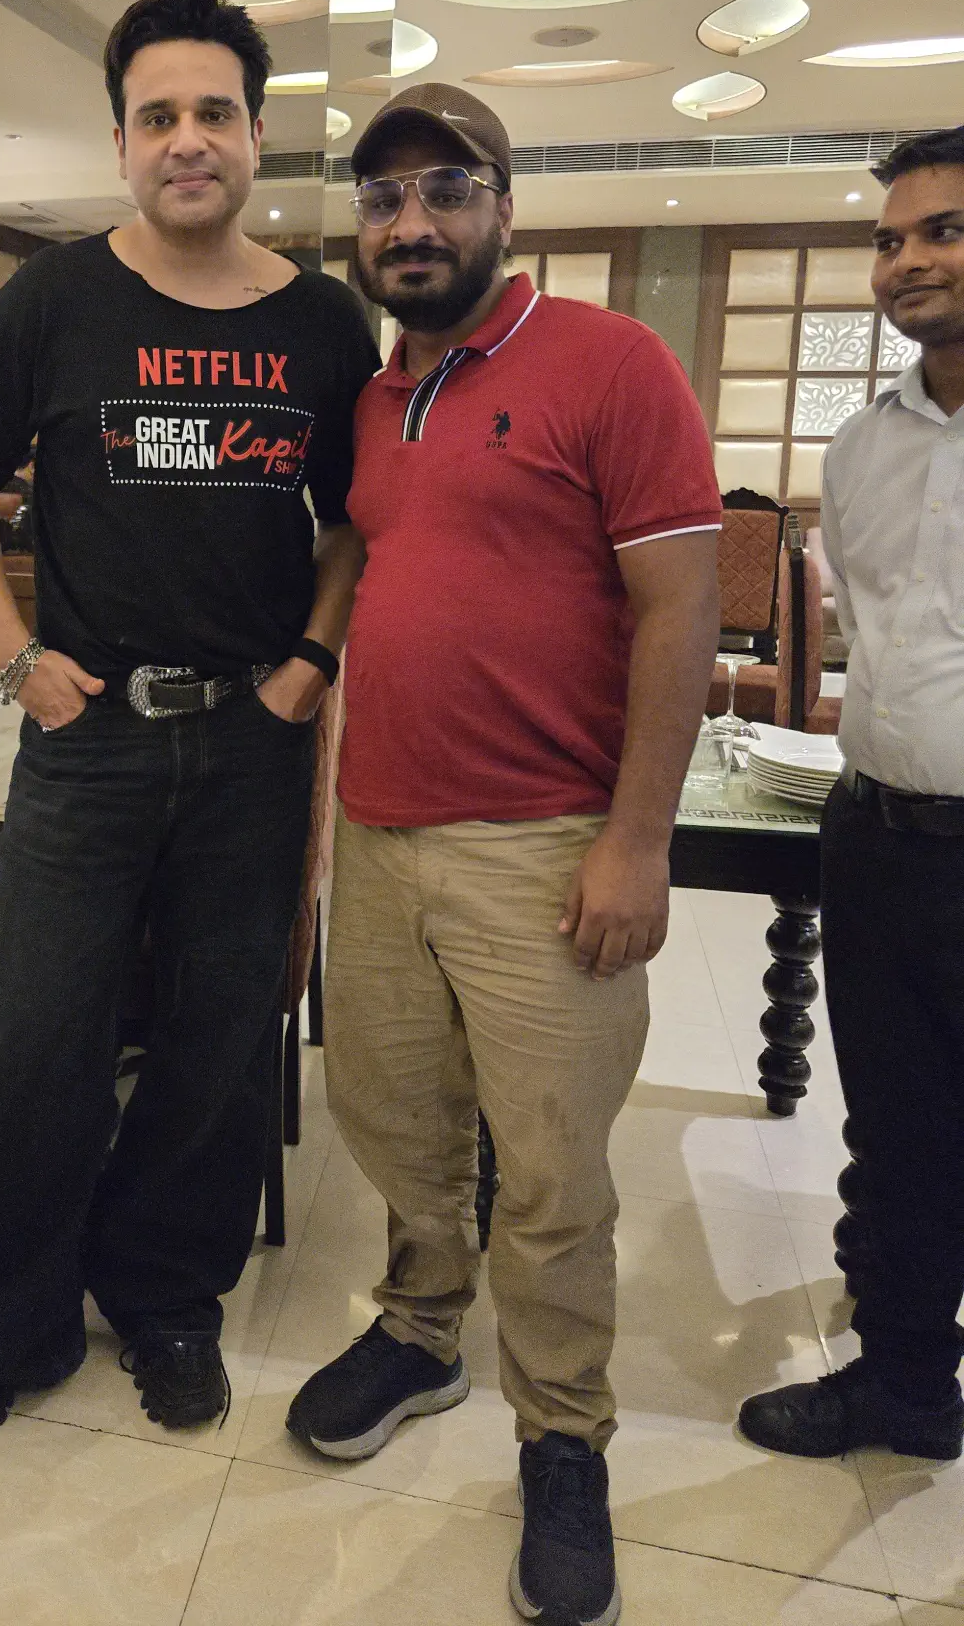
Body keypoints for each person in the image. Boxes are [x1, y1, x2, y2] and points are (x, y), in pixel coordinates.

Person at [0, 0, 378, 1465]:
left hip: (251, 740)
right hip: (87, 739)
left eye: (214, 111)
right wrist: (16, 653)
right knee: (42, 1036)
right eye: (157, 115)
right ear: (120, 142)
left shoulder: (322, 321)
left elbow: (354, 520)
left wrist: (311, 662)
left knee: (220, 1037)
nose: (187, 139)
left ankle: (165, 1296)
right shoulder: (51, 302)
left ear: (256, 134)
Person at [284, 84, 722, 1626]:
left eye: (445, 189)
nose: (411, 222)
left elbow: (682, 608)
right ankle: (419, 1329)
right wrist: (312, 668)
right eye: (383, 197)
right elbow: (363, 544)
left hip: (545, 844)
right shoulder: (373, 399)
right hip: (380, 831)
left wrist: (638, 839)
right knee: (390, 1114)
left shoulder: (610, 362)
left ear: (503, 208)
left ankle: (564, 1434)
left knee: (547, 1167)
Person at [740, 126, 964, 1467]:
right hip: (879, 833)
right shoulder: (863, 447)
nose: (906, 261)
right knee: (894, 1128)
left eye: (945, 230)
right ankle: (907, 1388)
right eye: (889, 239)